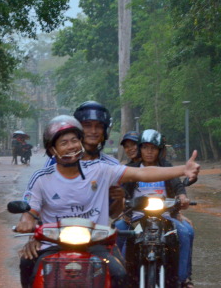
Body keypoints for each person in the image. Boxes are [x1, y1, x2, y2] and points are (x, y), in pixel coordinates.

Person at [17, 115, 200, 288]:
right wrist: (26, 221)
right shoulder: (41, 178)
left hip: (96, 244)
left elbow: (141, 173)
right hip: (53, 244)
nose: (71, 146)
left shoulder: (100, 170)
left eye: (74, 140)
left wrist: (184, 169)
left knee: (120, 274)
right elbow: (30, 211)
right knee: (27, 263)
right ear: (52, 149)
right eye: (64, 143)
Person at [117, 129, 195, 288]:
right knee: (119, 233)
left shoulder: (166, 167)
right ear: (140, 149)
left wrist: (182, 198)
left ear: (159, 150)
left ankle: (183, 278)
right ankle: (119, 278)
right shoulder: (132, 168)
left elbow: (177, 185)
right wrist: (122, 201)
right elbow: (123, 190)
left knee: (186, 232)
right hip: (137, 219)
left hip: (165, 217)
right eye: (145, 147)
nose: (149, 151)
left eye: (153, 148)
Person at [44, 100, 125, 219]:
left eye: (98, 126)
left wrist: (119, 199)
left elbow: (113, 214)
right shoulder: (57, 160)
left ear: (105, 132)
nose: (93, 131)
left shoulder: (112, 165)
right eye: (87, 126)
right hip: (59, 230)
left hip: (95, 233)